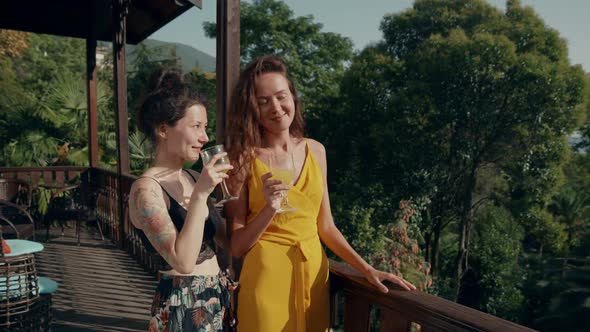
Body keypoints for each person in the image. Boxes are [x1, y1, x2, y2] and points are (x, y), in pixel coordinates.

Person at [224, 55, 416, 332]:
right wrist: (269, 208)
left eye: (281, 97)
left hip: (314, 273)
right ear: (251, 108)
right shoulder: (242, 160)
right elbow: (237, 246)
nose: (275, 108)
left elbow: (325, 226)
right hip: (266, 277)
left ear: (293, 97)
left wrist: (367, 270)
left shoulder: (316, 150)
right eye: (263, 101)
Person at [128, 68, 236, 332]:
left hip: (216, 296)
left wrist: (258, 203)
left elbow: (224, 239)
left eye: (205, 127)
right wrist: (201, 193)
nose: (205, 137)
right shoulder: (146, 191)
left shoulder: (189, 176)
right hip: (182, 305)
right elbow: (184, 262)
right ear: (164, 130)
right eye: (196, 127)